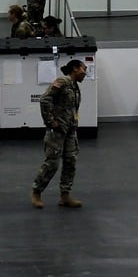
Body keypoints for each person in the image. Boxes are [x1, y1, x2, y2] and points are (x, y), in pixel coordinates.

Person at [30, 58, 86, 209]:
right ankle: (36, 192)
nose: (85, 73)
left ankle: (65, 196)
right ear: (75, 68)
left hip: (70, 131)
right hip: (57, 131)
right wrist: (50, 121)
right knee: (52, 163)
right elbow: (45, 99)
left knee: (70, 161)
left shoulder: (74, 87)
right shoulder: (63, 81)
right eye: (83, 69)